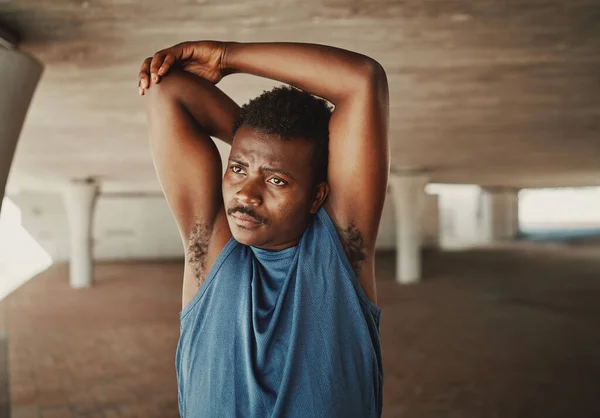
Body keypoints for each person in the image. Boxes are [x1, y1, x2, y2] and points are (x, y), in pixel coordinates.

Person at [138, 40, 389, 418]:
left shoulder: (340, 250)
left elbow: (361, 79)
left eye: (277, 182)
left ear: (318, 195)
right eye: (237, 169)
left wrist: (227, 57)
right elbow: (166, 87)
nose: (247, 194)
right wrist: (264, 146)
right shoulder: (208, 248)